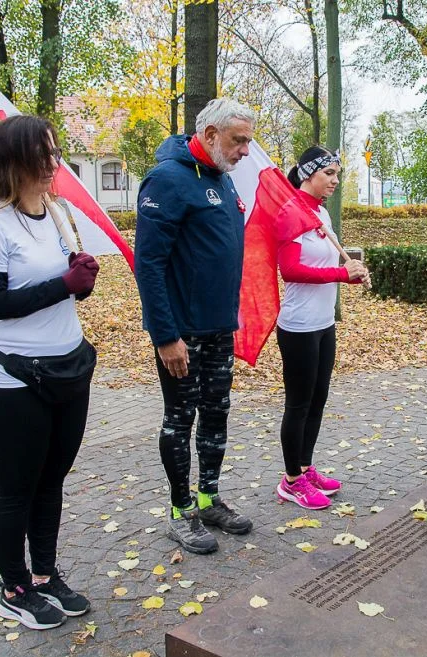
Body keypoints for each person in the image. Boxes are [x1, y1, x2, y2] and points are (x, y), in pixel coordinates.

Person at [0, 114, 100, 629]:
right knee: (17, 487)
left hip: (68, 369)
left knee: (52, 481)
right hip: (16, 378)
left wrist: (81, 282)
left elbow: (63, 285)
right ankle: (13, 587)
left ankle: (45, 576)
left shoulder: (57, 212)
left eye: (55, 152)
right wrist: (64, 284)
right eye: (42, 155)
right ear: (14, 161)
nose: (53, 164)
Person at [135, 98, 257, 554]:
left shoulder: (223, 181)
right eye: (238, 140)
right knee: (180, 419)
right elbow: (148, 265)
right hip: (181, 335)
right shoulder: (167, 180)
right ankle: (180, 510)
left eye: (247, 141)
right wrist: (165, 336)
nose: (245, 149)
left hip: (218, 329)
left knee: (217, 413)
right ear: (209, 135)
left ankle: (208, 498)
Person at [274, 146, 369, 510]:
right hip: (298, 325)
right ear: (308, 173)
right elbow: (291, 270)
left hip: (324, 322)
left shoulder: (320, 214)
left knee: (318, 398)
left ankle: (306, 466)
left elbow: (330, 263)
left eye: (337, 174)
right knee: (298, 404)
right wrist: (339, 275)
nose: (334, 180)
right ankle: (291, 481)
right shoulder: (290, 213)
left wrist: (351, 275)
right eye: (328, 173)